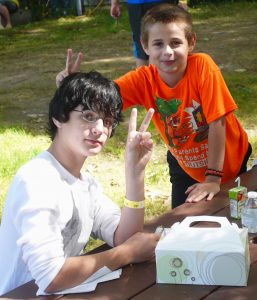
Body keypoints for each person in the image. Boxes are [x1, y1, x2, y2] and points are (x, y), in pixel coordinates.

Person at [56, 4, 251, 209]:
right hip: (184, 165)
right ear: (145, 45)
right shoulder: (143, 80)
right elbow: (100, 99)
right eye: (158, 44)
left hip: (228, 162)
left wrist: (213, 178)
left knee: (233, 216)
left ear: (191, 42)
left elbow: (217, 122)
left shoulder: (203, 66)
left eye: (175, 42)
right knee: (180, 222)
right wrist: (69, 87)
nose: (167, 52)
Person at [0, 71, 159, 296]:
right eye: (88, 116)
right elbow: (51, 276)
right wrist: (127, 253)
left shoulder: (87, 185)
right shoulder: (37, 180)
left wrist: (135, 174)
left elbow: (124, 236)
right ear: (59, 117)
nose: (99, 129)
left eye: (108, 121)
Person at [110, 0, 184, 67]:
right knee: (145, 43)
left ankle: (150, 79)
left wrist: (114, 2)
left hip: (139, 4)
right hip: (141, 3)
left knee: (145, 44)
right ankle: (146, 79)